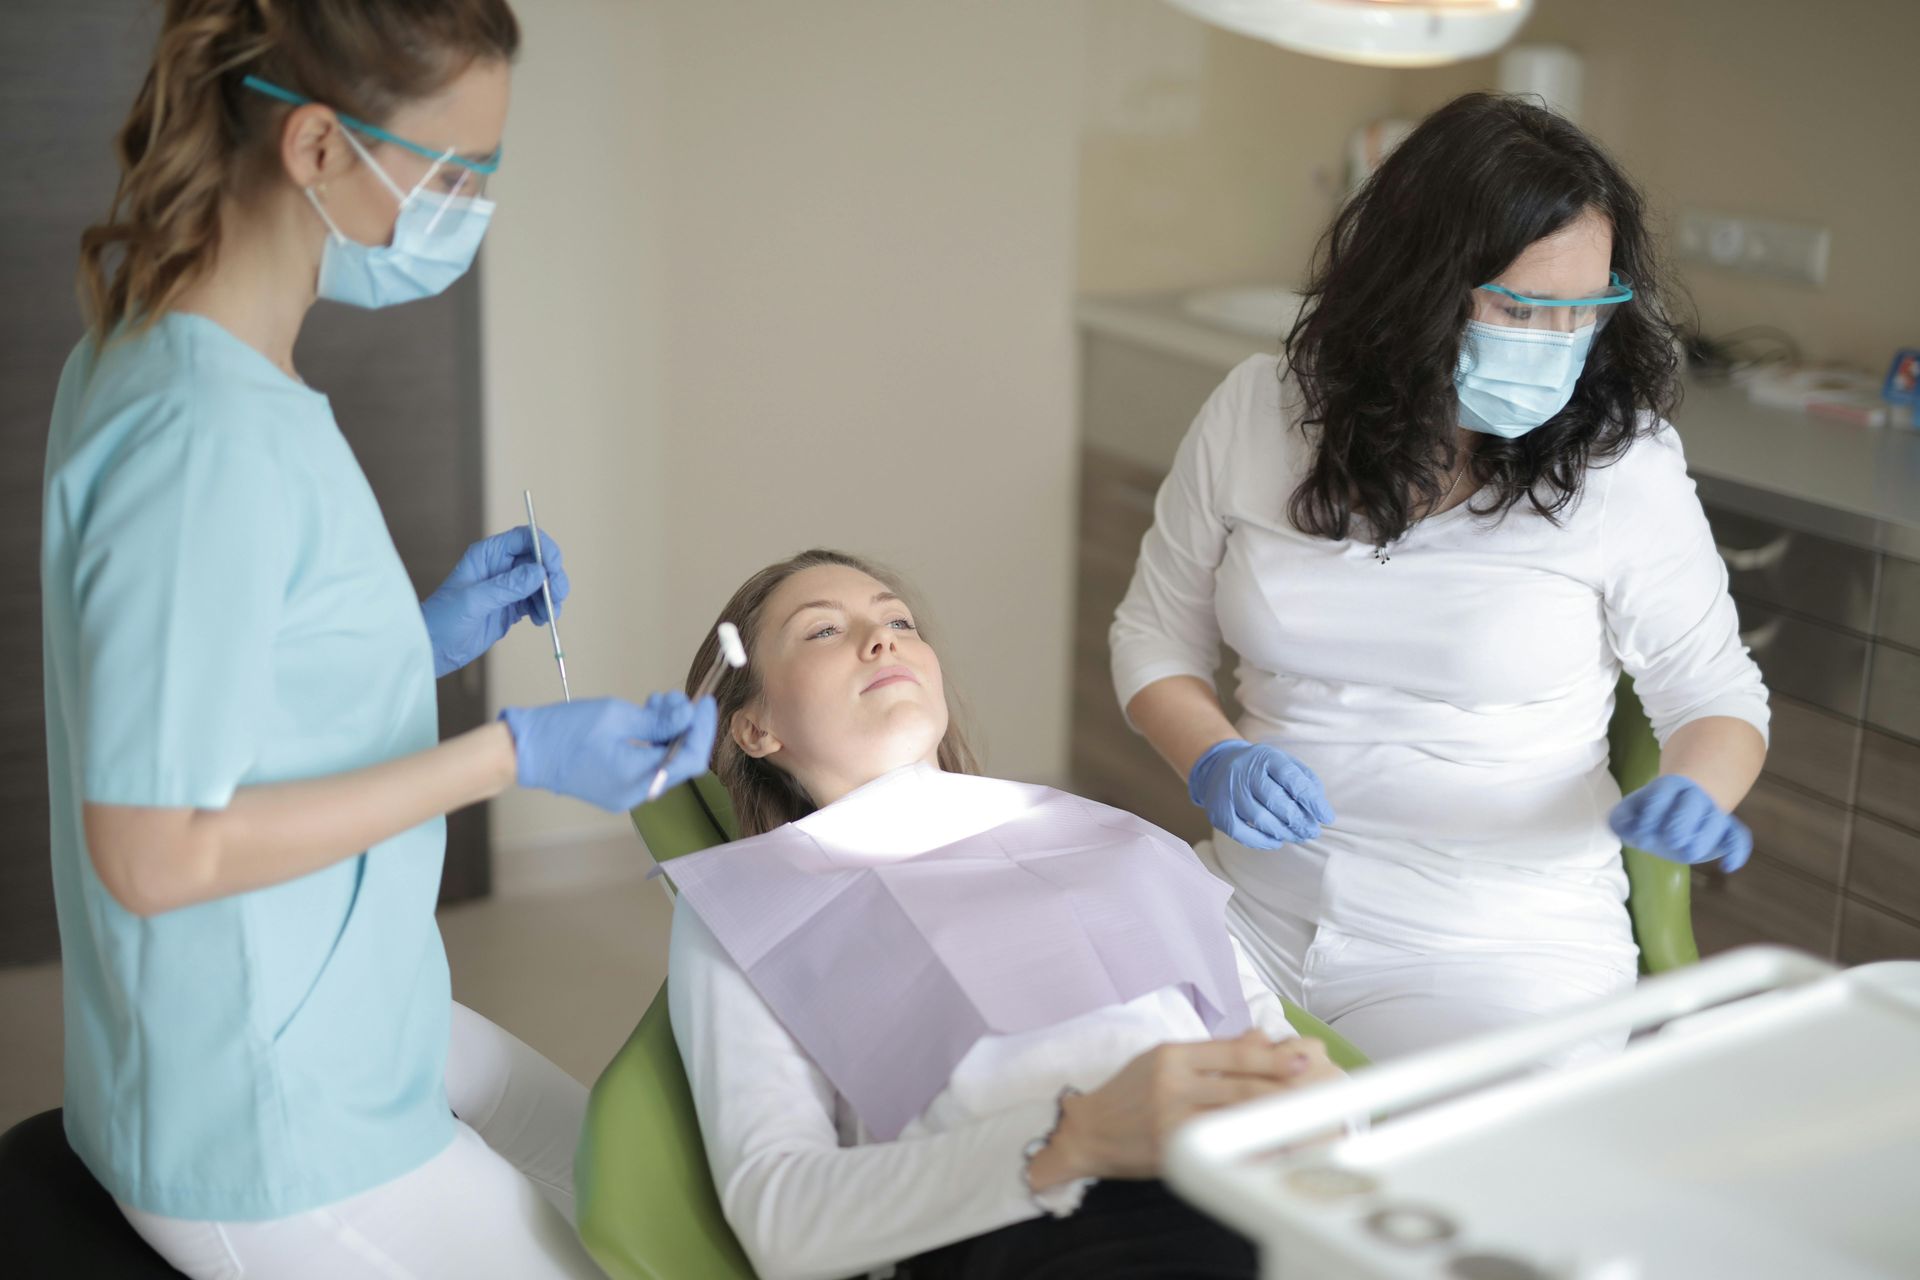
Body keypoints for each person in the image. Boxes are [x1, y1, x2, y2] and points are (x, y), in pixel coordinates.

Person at [41, 2, 715, 1274]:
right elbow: (150, 847)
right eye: (454, 172)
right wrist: (509, 756)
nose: (470, 208)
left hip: (343, 999)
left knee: (655, 1193)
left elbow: (231, 678)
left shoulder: (204, 360)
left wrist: (427, 633)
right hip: (262, 1117)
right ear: (315, 148)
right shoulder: (201, 434)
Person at [1111, 93, 1770, 1068]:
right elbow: (1153, 636)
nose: (1553, 341)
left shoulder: (1622, 467)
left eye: (1580, 311)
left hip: (1494, 948)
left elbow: (1715, 697)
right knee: (1068, 1087)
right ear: (1417, 286)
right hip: (1249, 910)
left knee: (1406, 1177)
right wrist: (1214, 757)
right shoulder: (1259, 412)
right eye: (1518, 306)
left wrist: (1697, 788)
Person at [666, 549, 1346, 1280]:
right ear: (756, 729)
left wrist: (1327, 1110)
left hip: (1269, 1195)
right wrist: (1069, 1138)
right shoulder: (755, 908)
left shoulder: (1116, 840)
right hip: (1035, 1236)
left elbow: (1287, 1057)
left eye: (897, 618)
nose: (881, 637)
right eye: (823, 631)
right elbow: (783, 1223)